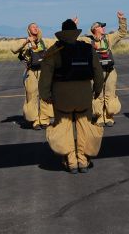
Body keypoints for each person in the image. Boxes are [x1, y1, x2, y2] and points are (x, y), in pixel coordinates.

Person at [39, 19, 105, 174]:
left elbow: (45, 77)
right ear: (76, 33)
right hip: (83, 93)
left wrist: (45, 95)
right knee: (84, 125)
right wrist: (97, 89)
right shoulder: (88, 49)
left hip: (62, 94)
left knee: (64, 128)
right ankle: (83, 160)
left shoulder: (53, 50)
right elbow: (98, 73)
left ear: (61, 34)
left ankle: (71, 161)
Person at [79, 11, 127, 127]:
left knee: (110, 94)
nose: (103, 28)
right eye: (101, 27)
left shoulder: (108, 38)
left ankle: (109, 117)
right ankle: (99, 117)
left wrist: (121, 19)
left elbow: (121, 33)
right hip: (96, 72)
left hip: (110, 71)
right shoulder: (86, 40)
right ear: (95, 29)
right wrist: (74, 25)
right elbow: (74, 40)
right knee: (98, 94)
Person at [11, 23, 53, 130]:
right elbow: (13, 49)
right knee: (32, 95)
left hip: (44, 71)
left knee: (45, 95)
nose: (36, 28)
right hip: (31, 72)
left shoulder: (44, 41)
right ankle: (35, 120)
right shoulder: (24, 41)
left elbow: (57, 45)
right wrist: (26, 41)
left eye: (37, 26)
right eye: (33, 27)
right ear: (29, 30)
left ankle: (44, 119)